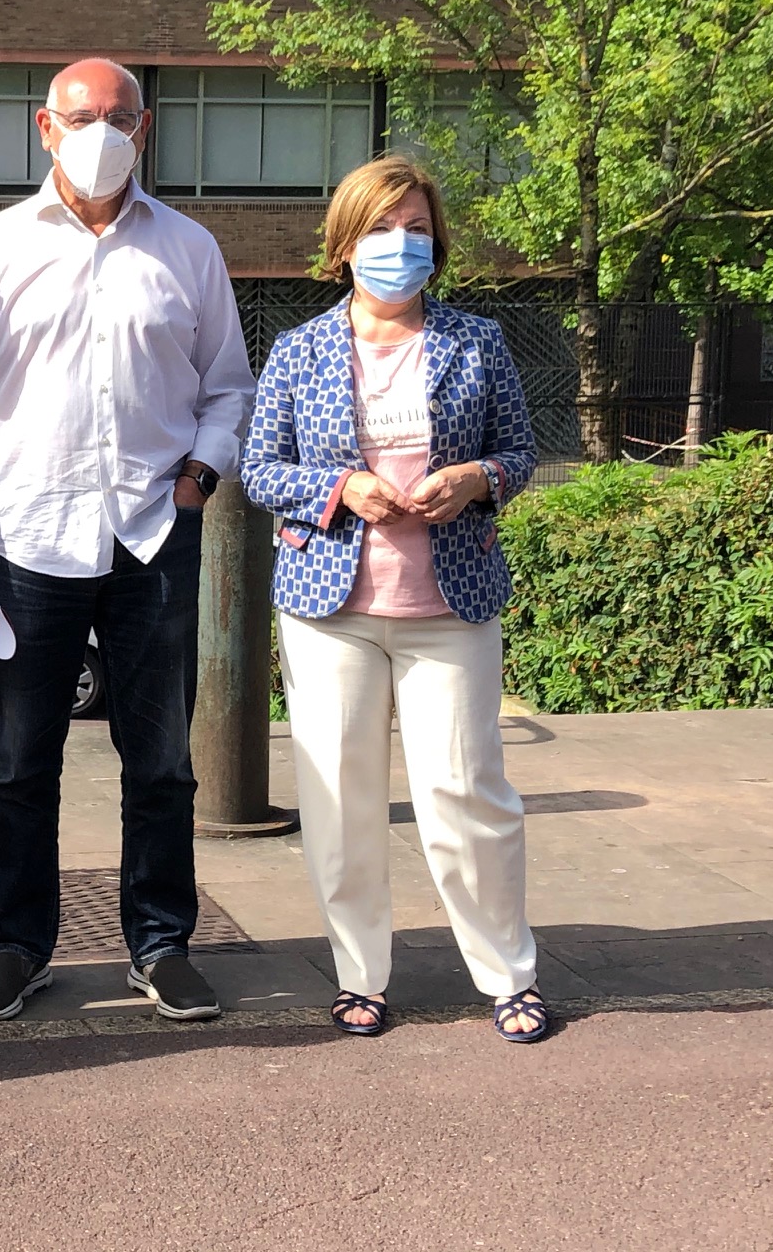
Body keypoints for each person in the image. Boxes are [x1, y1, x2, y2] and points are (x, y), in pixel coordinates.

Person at [0, 57, 255, 1024]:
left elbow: (226, 383)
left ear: (143, 129)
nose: (100, 132)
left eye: (118, 116)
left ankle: (161, 943)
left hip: (154, 532)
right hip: (26, 539)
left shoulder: (188, 249)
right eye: (80, 116)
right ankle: (20, 945)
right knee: (23, 762)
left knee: (163, 763)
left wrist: (198, 478)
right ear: (43, 126)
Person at [239, 155, 549, 1044]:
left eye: (416, 228)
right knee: (340, 799)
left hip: (450, 606)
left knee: (467, 793)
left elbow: (520, 453)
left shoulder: (476, 341)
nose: (400, 245)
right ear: (344, 244)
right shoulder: (299, 349)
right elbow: (260, 470)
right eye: (381, 228)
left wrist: (477, 478)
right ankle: (359, 974)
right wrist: (341, 489)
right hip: (329, 609)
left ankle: (508, 973)